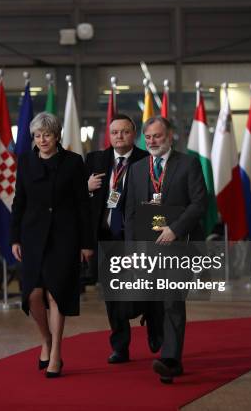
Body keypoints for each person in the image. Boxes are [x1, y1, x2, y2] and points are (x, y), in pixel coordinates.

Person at [124, 116, 207, 383]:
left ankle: (170, 360)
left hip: (178, 247)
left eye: (157, 136)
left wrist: (175, 229)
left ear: (170, 136)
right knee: (153, 301)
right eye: (148, 137)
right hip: (146, 249)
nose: (152, 142)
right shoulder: (136, 169)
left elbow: (199, 204)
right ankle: (156, 333)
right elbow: (130, 212)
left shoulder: (188, 164)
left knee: (172, 300)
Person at [11, 112, 94, 378]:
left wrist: (86, 243)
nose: (42, 139)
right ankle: (45, 339)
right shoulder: (25, 162)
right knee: (33, 294)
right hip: (32, 237)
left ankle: (56, 351)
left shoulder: (73, 162)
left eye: (47, 134)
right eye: (37, 135)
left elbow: (83, 205)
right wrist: (14, 238)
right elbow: (18, 203)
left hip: (64, 237)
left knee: (56, 293)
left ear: (57, 135)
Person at [85, 113, 153, 364]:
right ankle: (120, 347)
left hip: (135, 238)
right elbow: (77, 200)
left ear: (133, 134)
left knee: (138, 292)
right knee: (112, 297)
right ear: (109, 135)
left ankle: (149, 315)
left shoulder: (146, 159)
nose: (119, 136)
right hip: (105, 238)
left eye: (124, 132)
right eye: (114, 132)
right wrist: (86, 186)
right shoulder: (95, 160)